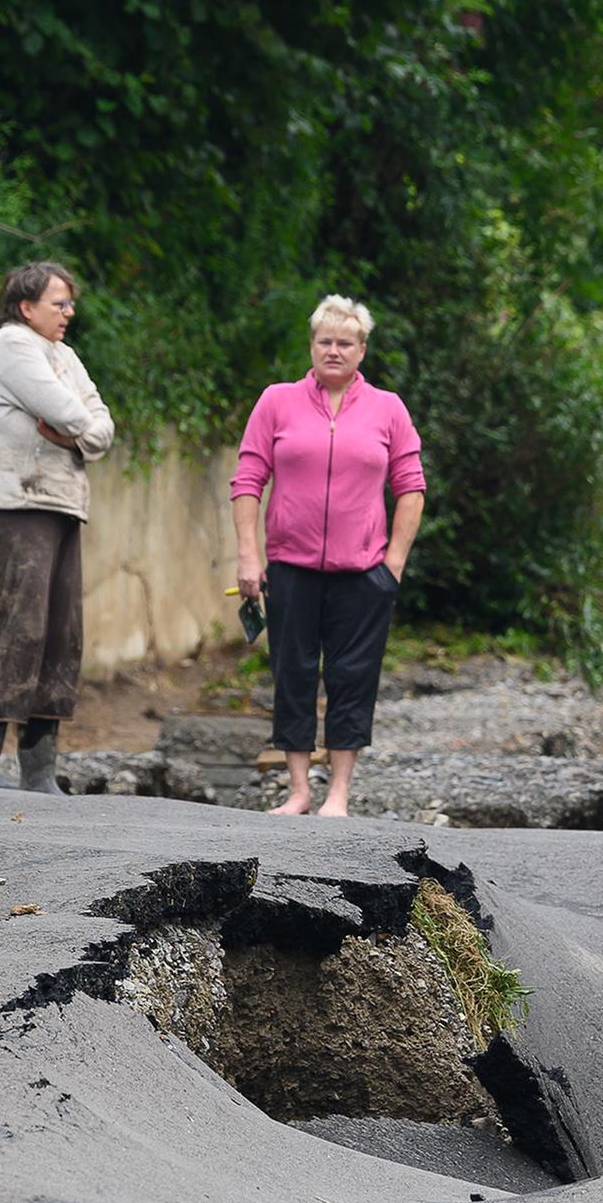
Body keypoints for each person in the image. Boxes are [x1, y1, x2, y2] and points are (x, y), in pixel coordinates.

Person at [232, 296, 427, 817]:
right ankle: (299, 791)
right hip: (291, 569)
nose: (334, 350)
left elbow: (411, 487)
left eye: (345, 342)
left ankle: (338, 793)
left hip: (365, 573)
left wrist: (395, 564)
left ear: (362, 350)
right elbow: (248, 480)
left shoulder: (389, 409)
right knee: (291, 671)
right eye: (325, 341)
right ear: (312, 346)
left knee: (352, 675)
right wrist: (249, 557)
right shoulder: (277, 401)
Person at [0, 261, 116, 790]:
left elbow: (99, 426)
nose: (70, 312)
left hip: (62, 503)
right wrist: (80, 430)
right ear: (27, 307)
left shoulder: (64, 356)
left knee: (61, 631)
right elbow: (68, 413)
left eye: (70, 303)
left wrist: (78, 435)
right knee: (23, 624)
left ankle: (39, 766)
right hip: (9, 503)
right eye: (59, 303)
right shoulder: (12, 345)